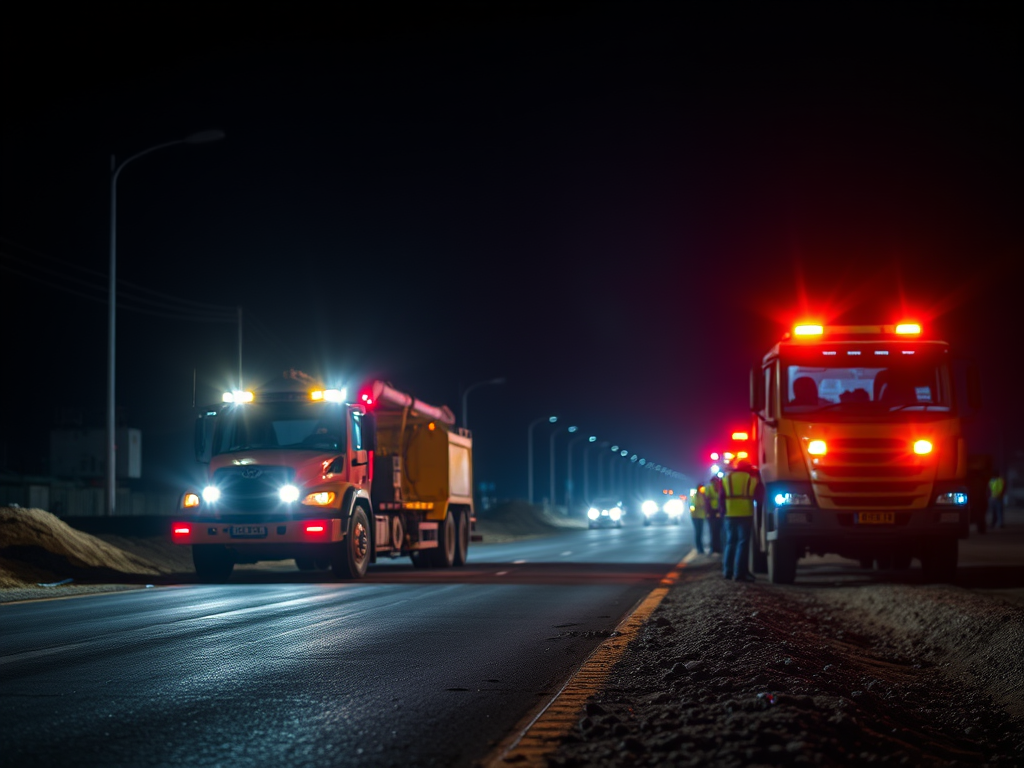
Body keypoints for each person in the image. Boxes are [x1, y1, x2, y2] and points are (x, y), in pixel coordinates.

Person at [721, 458, 762, 582]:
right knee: (742, 544)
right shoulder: (751, 479)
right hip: (745, 513)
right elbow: (760, 497)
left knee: (730, 542)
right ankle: (740, 574)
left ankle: (727, 572)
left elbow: (721, 498)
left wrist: (723, 512)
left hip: (729, 514)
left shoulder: (726, 479)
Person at [705, 474, 724, 555]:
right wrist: (708, 512)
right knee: (713, 531)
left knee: (719, 531)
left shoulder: (720, 488)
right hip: (712, 512)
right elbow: (707, 500)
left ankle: (718, 548)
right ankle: (714, 548)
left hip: (718, 511)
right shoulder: (709, 488)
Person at [690, 486, 708, 554]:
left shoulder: (703, 496)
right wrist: (700, 506)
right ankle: (699, 548)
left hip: (701, 516)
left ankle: (700, 548)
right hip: (695, 516)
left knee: (700, 532)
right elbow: (693, 505)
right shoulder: (694, 496)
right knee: (698, 533)